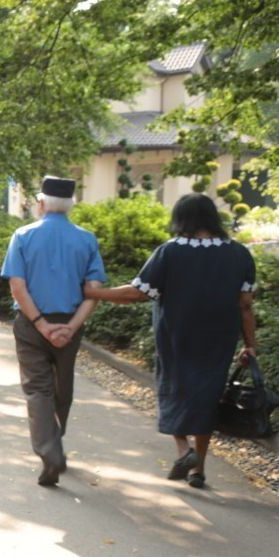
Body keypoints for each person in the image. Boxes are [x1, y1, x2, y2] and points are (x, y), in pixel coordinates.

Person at [83, 192, 257, 488]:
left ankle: (183, 450)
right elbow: (245, 305)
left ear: (181, 219)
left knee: (174, 390)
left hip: (176, 336)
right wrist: (250, 344)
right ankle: (197, 470)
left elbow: (137, 293)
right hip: (218, 339)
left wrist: (92, 293)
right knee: (206, 397)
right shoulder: (239, 254)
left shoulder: (170, 251)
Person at [0, 177, 105, 486]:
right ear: (71, 206)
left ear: (41, 204)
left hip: (33, 323)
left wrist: (41, 324)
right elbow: (94, 289)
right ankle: (55, 441)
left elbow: (16, 285)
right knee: (63, 386)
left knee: (37, 389)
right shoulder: (88, 239)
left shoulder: (22, 235)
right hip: (70, 323)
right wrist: (71, 326)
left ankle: (50, 451)